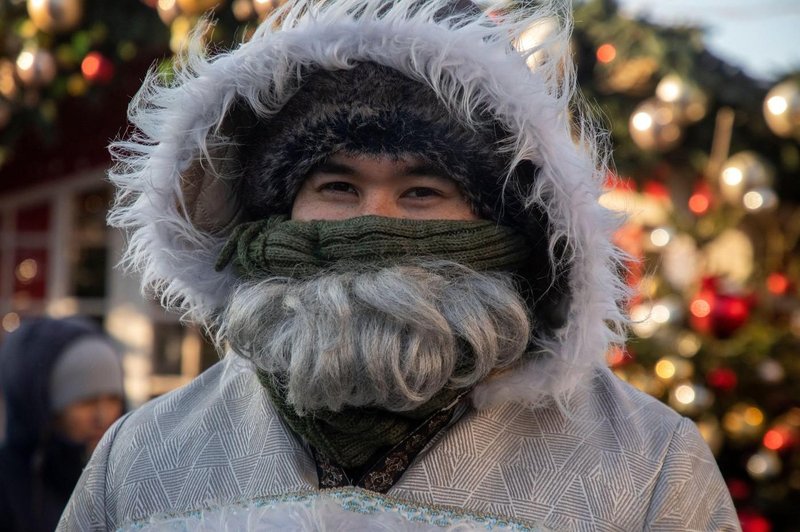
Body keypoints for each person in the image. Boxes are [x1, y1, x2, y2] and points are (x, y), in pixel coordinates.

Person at [60, 0, 740, 529]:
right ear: (279, 212)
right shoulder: (147, 457)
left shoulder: (646, 464)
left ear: (498, 222)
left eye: (422, 192)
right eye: (337, 187)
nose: (374, 220)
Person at [0, 317, 125, 532]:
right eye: (86, 401)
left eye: (113, 398)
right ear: (45, 407)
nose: (102, 416)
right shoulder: (8, 488)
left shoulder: (126, 478)